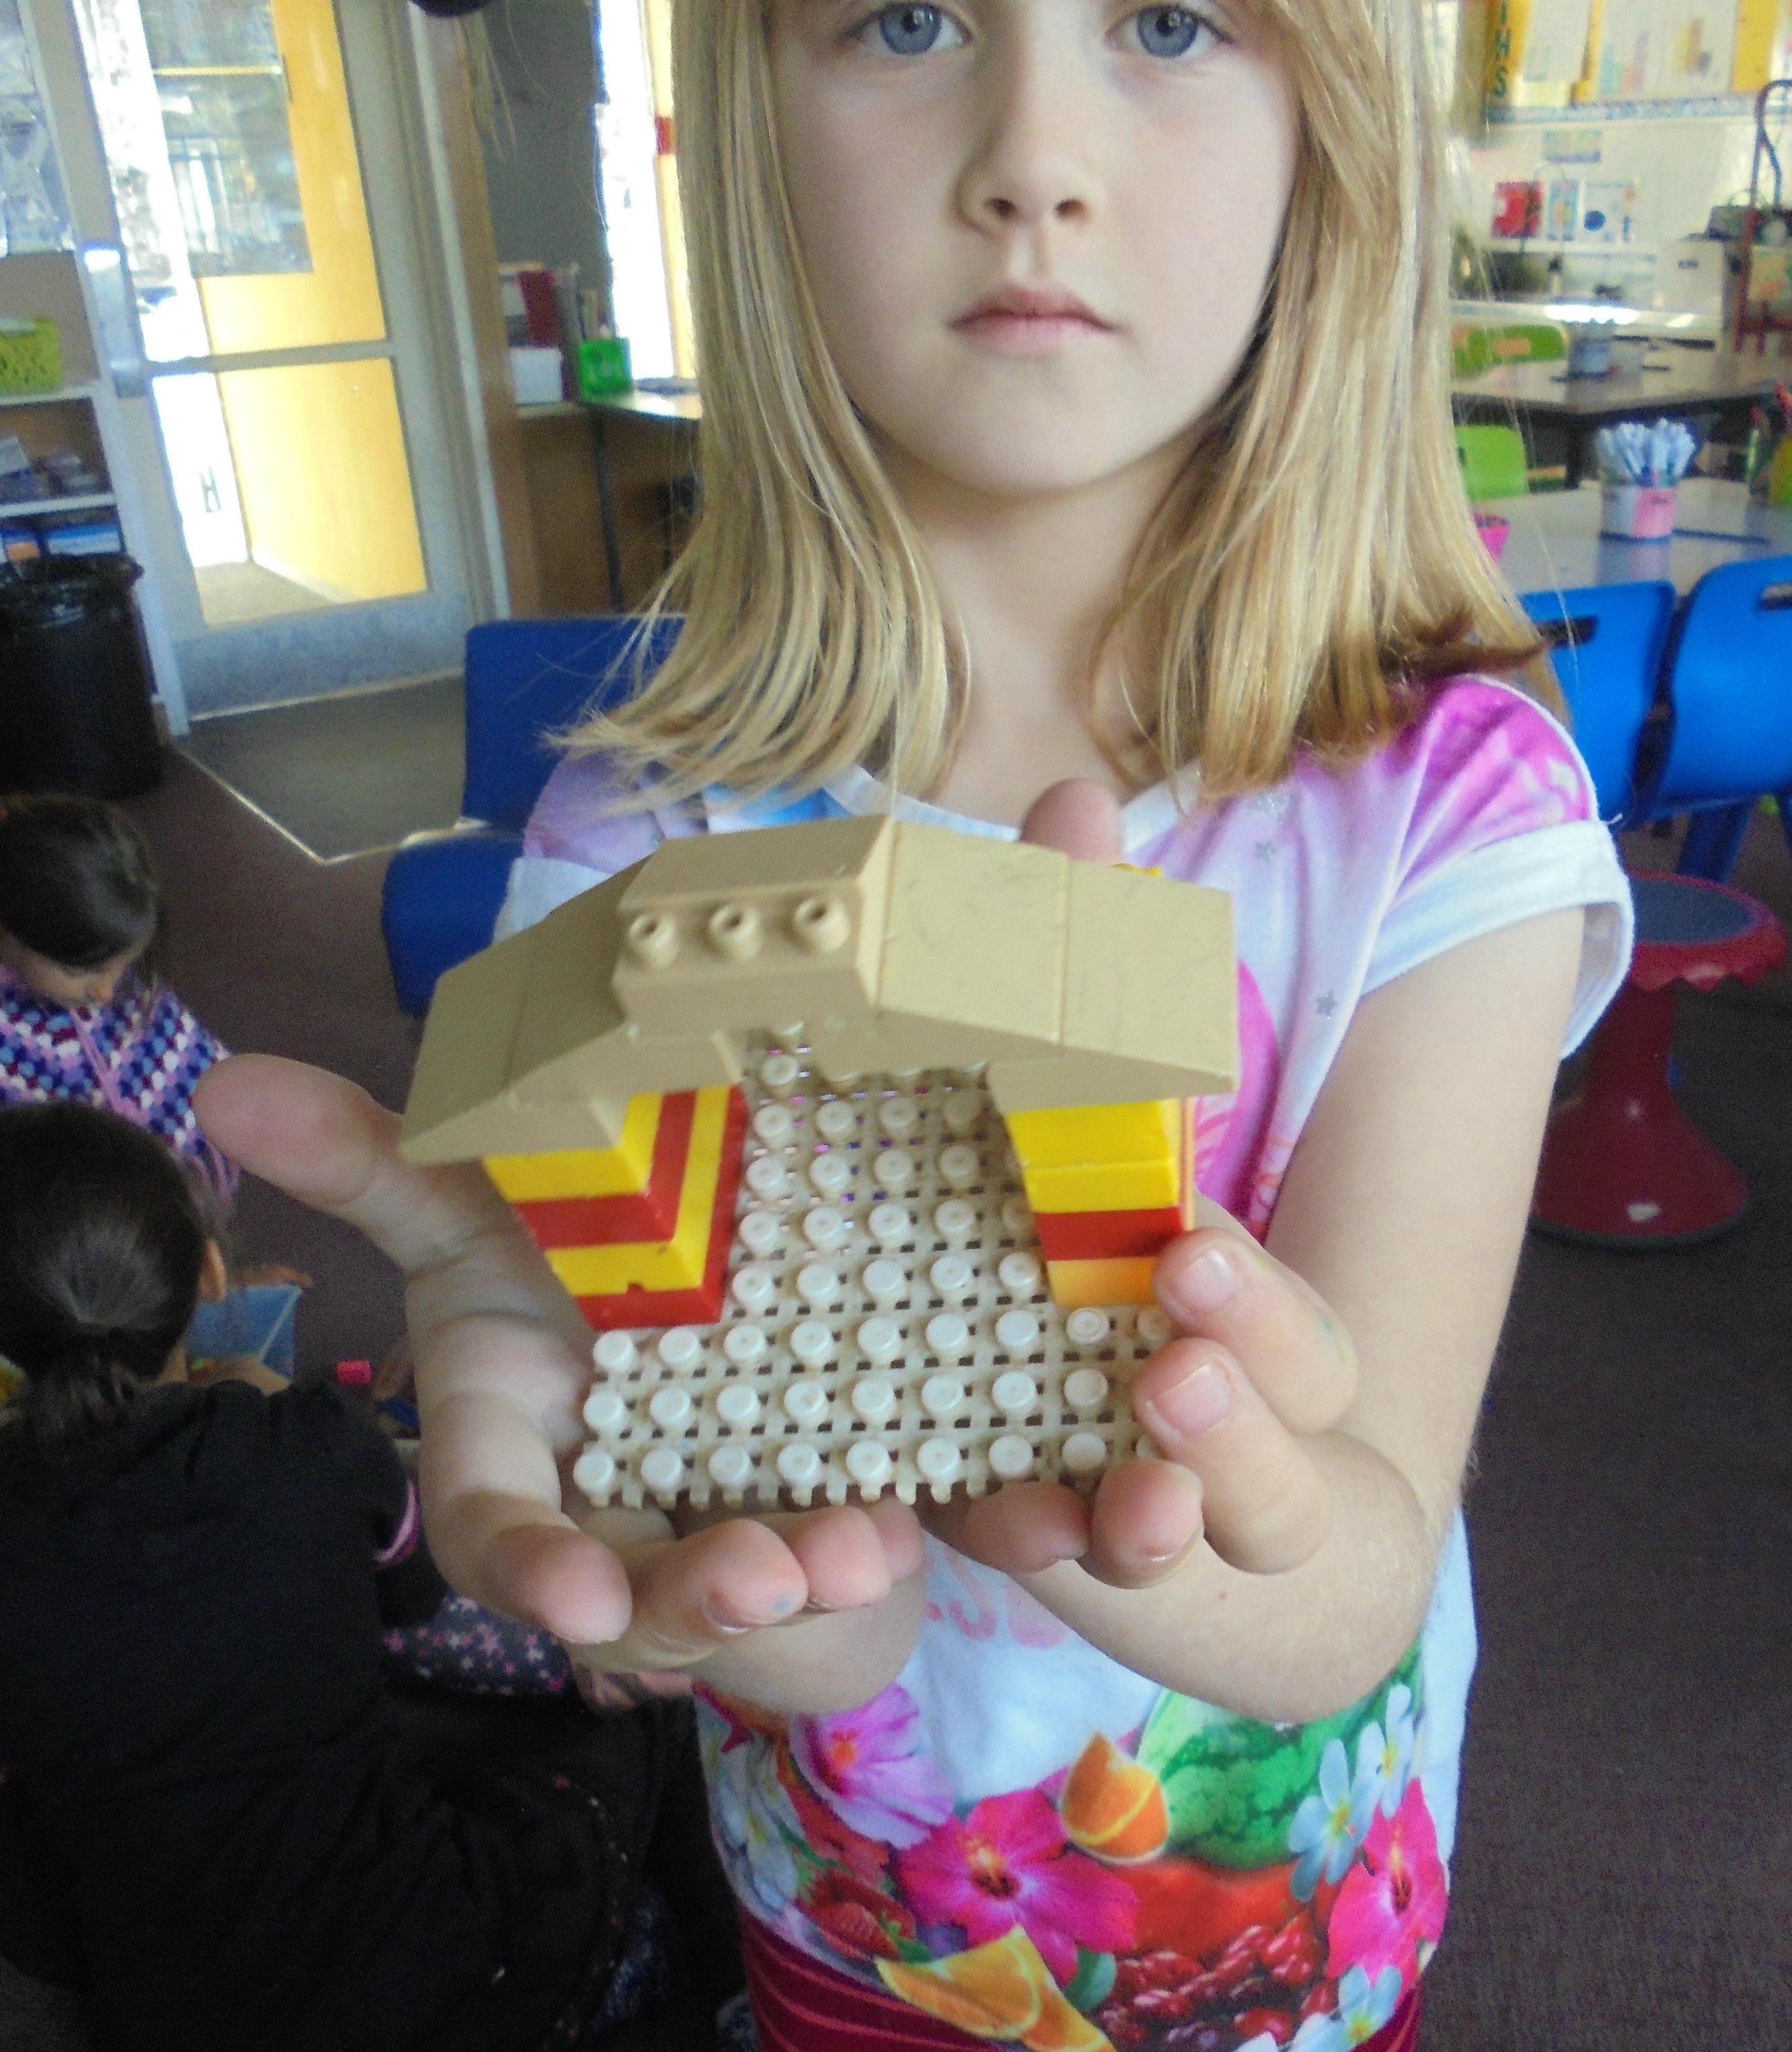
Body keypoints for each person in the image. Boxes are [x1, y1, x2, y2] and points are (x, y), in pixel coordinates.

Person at [196, 0, 1637, 2046]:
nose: (1030, 156)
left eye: (1166, 22)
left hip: (1278, 1948)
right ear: (754, 120)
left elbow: (1350, 1578)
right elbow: (815, 1636)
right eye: (903, 16)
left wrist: (1064, 1441)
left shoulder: (1447, 808)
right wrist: (695, 1519)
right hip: (846, 1907)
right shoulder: (638, 825)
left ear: (1333, 119)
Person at [0, 1102, 730, 2052]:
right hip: (442, 1963)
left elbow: (17, 1876)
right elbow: (420, 1603)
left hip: (164, 2017)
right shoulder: (310, 1442)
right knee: (653, 1717)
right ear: (211, 1275)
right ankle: (729, 1993)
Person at [0, 793, 304, 1376]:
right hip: (66, 1284)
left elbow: (193, 1087)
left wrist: (214, 1275)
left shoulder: (127, 991)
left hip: (156, 1259)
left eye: (123, 964)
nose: (108, 991)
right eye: (85, 971)